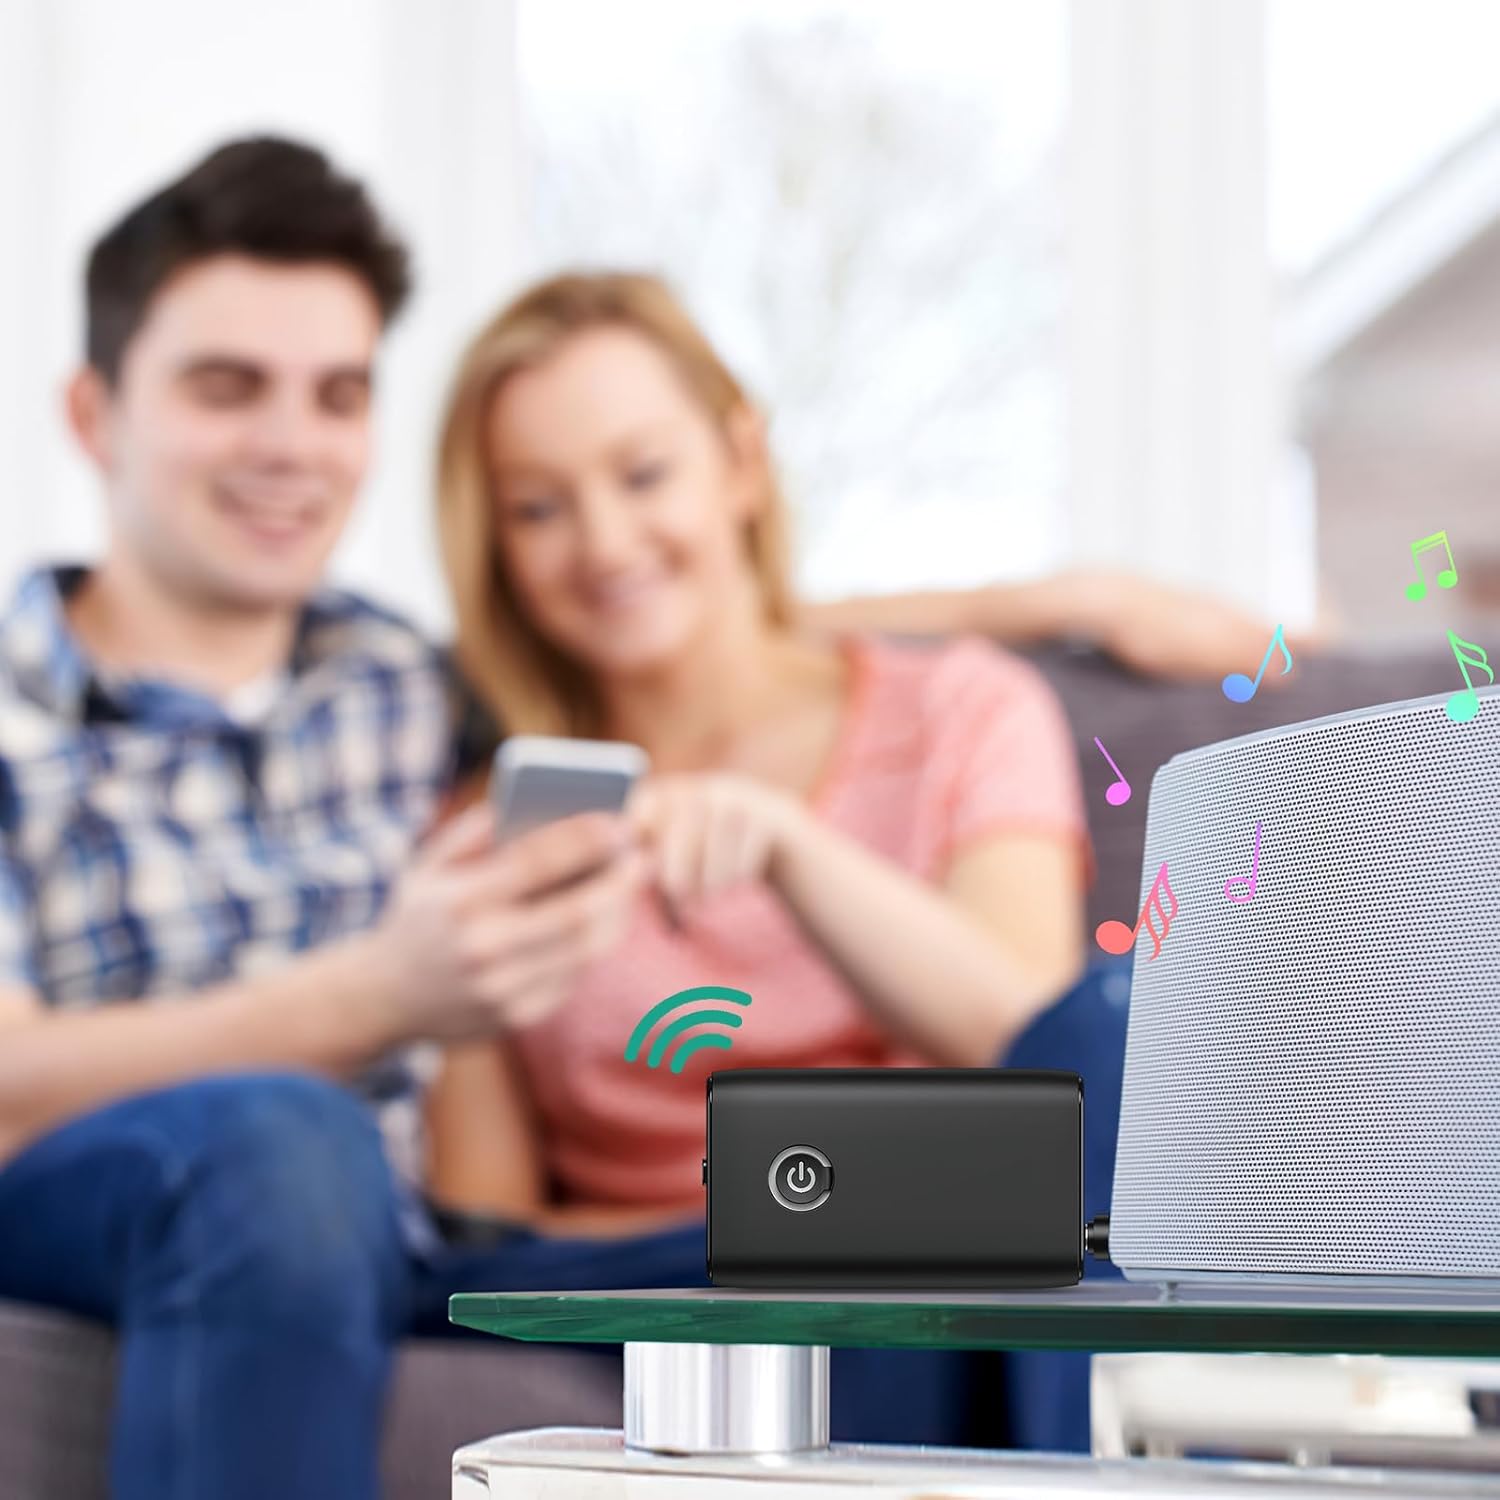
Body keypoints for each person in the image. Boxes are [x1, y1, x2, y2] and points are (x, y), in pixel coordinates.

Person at [0, 134, 1291, 1500]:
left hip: (468, 1239)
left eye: (337, 395)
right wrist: (380, 992)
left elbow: (672, 624)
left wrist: (1056, 601)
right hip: (147, 1187)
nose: (288, 445)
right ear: (94, 413)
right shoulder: (40, 712)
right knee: (288, 1144)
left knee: (995, 1163)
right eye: (225, 388)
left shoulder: (398, 685)